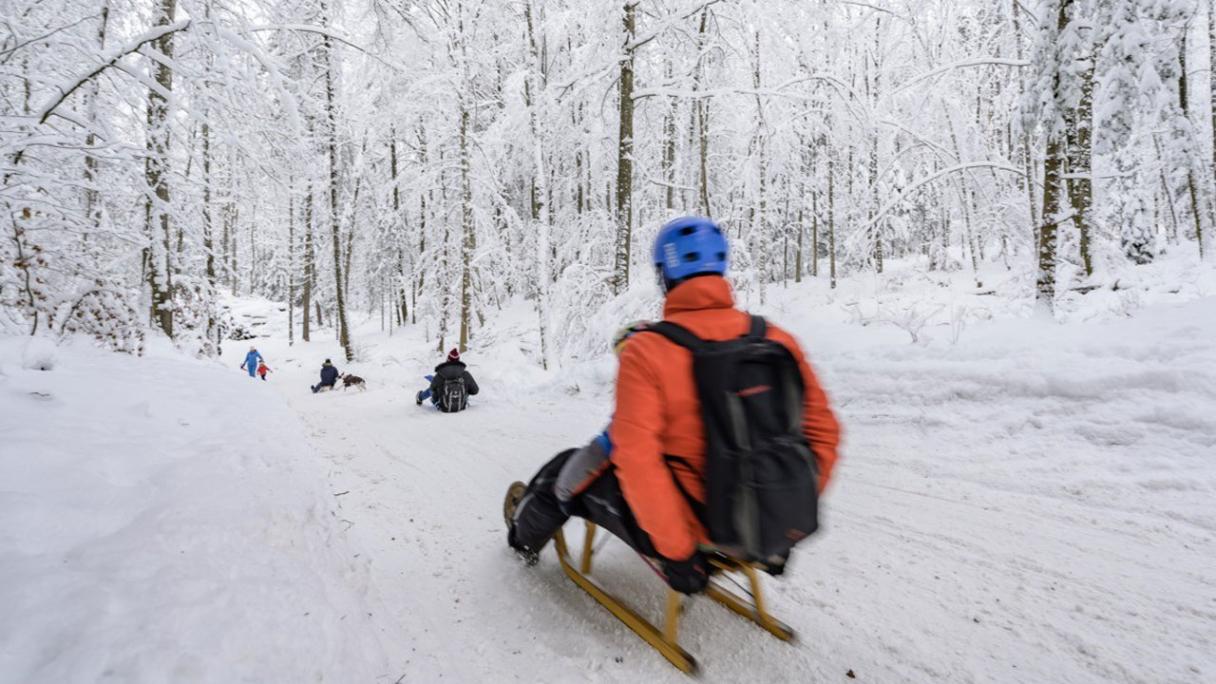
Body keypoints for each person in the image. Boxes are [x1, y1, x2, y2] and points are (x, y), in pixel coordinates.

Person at [503, 216, 841, 594]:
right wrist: (782, 510)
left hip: (696, 533)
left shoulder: (649, 351)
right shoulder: (778, 340)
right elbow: (825, 433)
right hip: (770, 523)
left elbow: (636, 458)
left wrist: (678, 553)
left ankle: (521, 542)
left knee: (561, 471)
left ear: (665, 275)